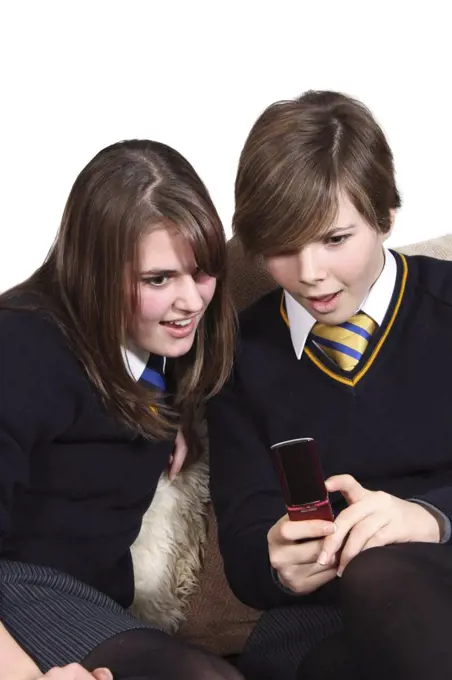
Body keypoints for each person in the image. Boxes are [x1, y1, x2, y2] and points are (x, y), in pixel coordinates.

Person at [207, 90, 452, 680]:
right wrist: (275, 561)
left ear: (386, 217)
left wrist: (431, 518)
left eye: (335, 239)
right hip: (320, 622)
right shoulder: (237, 354)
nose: (310, 273)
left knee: (383, 571)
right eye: (283, 248)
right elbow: (244, 536)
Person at [0, 140, 242, 680]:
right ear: (95, 272)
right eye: (158, 280)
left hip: (94, 601)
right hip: (14, 589)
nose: (192, 301)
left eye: (202, 271)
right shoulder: (19, 349)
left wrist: (168, 418)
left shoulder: (170, 344)